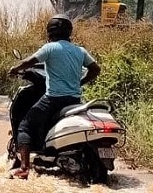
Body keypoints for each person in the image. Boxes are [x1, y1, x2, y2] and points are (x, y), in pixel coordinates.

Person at [8, 14, 101, 179]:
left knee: (25, 126)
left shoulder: (50, 48)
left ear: (50, 31)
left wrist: (15, 69)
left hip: (53, 99)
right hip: (75, 100)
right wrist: (80, 82)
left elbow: (29, 62)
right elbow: (95, 69)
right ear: (69, 32)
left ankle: (24, 167)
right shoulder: (80, 51)